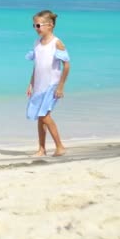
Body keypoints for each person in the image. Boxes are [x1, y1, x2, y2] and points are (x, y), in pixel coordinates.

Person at [25, 9, 70, 157]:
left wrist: (60, 87)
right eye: (34, 26)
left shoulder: (57, 43)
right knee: (40, 116)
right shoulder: (37, 43)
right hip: (39, 85)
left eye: (38, 25)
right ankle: (42, 149)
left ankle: (60, 146)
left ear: (50, 25)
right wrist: (31, 84)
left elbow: (67, 65)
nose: (36, 29)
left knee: (44, 116)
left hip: (52, 85)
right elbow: (36, 65)